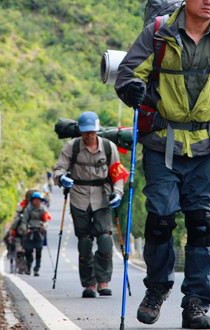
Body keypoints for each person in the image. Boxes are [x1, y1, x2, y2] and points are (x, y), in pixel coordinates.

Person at [114, 0, 210, 329]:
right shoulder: (159, 33)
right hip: (162, 144)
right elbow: (128, 72)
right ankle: (157, 288)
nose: (209, 1)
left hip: (206, 147)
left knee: (201, 225)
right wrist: (130, 91)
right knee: (159, 221)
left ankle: (196, 304)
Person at [53, 110, 128, 298]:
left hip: (102, 197)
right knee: (85, 242)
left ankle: (103, 281)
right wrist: (61, 178)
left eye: (92, 132)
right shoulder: (72, 147)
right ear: (80, 131)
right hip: (79, 197)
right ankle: (89, 284)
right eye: (86, 132)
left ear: (97, 130)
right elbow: (59, 168)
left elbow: (118, 175)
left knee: (104, 239)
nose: (89, 136)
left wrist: (118, 193)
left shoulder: (109, 147)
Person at [19, 191, 51, 276]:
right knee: (28, 250)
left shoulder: (43, 209)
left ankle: (36, 269)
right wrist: (25, 229)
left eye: (38, 200)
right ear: (32, 200)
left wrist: (44, 226)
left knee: (39, 250)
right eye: (35, 200)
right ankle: (28, 266)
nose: (37, 202)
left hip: (39, 233)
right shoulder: (28, 209)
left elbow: (46, 220)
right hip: (30, 232)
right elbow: (24, 221)